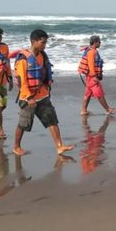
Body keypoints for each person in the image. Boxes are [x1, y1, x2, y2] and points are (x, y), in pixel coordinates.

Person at [12, 29, 75, 163]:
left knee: (52, 120)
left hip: (42, 95)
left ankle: (59, 146)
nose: (44, 45)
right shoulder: (23, 59)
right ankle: (16, 147)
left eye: (46, 42)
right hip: (27, 98)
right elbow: (22, 81)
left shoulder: (42, 55)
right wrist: (29, 98)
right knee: (24, 124)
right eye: (42, 42)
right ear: (34, 41)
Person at [78, 35, 116, 115]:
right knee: (99, 94)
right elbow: (91, 66)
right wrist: (94, 77)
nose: (100, 43)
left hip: (89, 76)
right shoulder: (92, 52)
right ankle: (108, 109)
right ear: (95, 42)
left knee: (88, 94)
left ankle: (83, 110)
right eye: (99, 42)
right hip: (92, 77)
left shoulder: (90, 49)